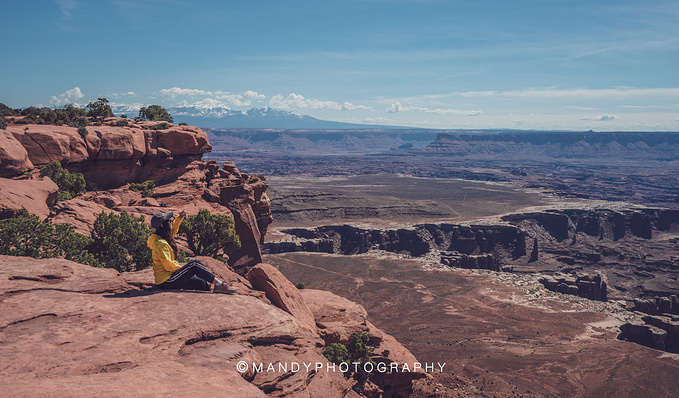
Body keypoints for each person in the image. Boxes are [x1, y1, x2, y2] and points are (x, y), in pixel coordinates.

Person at [147, 210, 236, 294]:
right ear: (163, 225)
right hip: (166, 281)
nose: (171, 222)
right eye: (169, 221)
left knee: (201, 282)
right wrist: (185, 270)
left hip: (171, 277)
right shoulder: (160, 244)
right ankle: (219, 285)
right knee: (194, 265)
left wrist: (179, 218)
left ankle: (212, 298)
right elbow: (168, 266)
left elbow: (173, 230)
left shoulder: (163, 236)